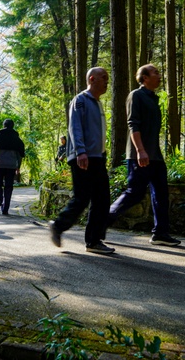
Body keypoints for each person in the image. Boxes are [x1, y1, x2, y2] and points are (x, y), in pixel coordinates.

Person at [107, 64, 181, 246]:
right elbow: (133, 124)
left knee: (161, 194)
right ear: (145, 77)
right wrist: (140, 150)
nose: (159, 75)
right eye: (155, 72)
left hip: (155, 156)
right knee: (135, 193)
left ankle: (160, 233)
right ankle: (102, 221)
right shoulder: (136, 95)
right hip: (139, 156)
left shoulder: (153, 99)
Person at [49, 67, 114, 255]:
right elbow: (74, 127)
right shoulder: (81, 100)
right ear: (92, 79)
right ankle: (58, 226)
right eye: (104, 78)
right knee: (82, 198)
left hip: (97, 158)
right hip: (83, 157)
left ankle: (93, 241)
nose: (106, 81)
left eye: (107, 78)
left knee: (102, 200)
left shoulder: (98, 103)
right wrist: (80, 151)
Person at [0, 119, 26, 215]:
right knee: (9, 186)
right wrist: (18, 167)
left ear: (4, 125)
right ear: (13, 126)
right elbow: (19, 156)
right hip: (11, 166)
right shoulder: (17, 140)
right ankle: (5, 208)